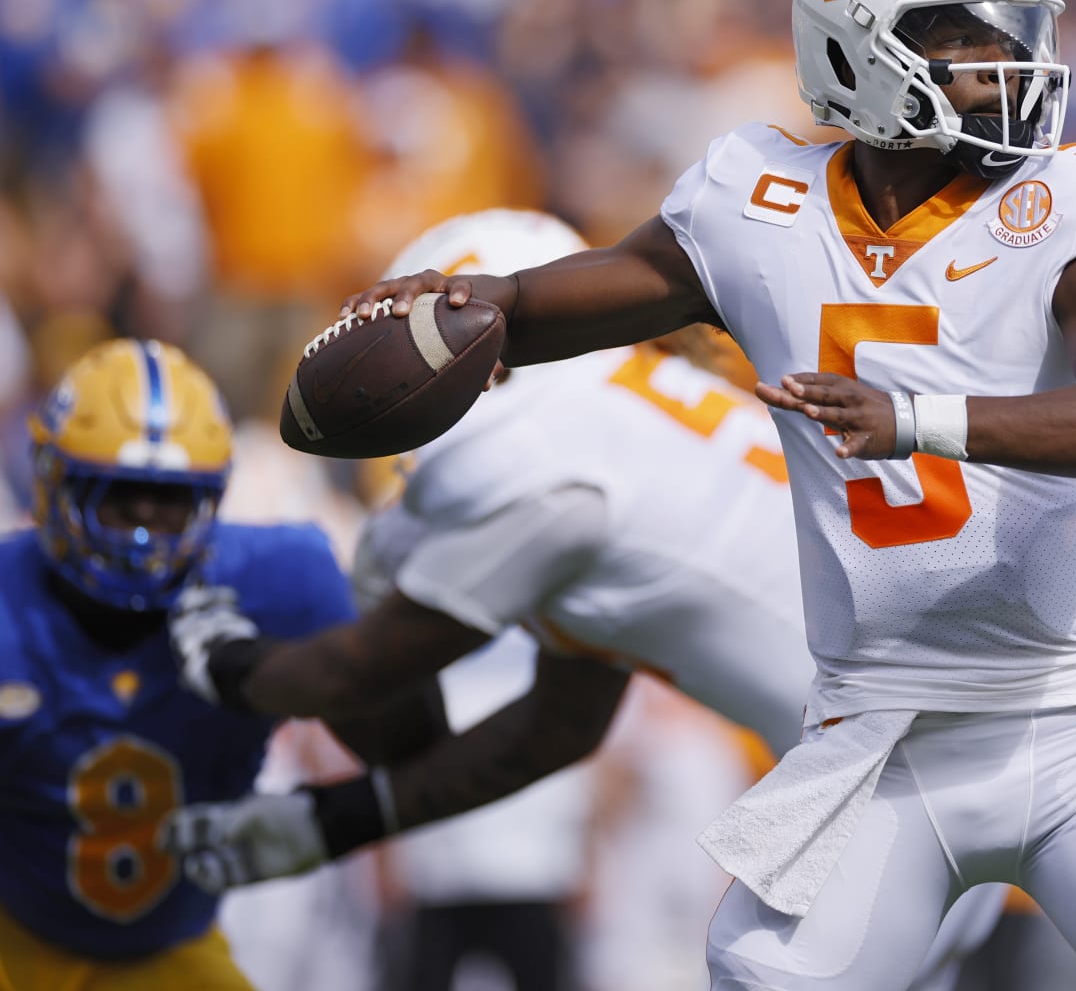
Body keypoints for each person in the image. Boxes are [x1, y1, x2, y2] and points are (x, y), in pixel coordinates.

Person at [187, 0, 1076, 989]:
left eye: (1006, 32)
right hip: (879, 742)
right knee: (763, 972)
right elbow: (561, 303)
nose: (1001, 63)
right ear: (857, 52)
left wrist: (918, 420)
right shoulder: (752, 204)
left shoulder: (1073, 202)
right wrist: (454, 308)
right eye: (960, 35)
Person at [161, 209, 1004, 991]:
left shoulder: (537, 461)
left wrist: (220, 659)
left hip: (895, 797)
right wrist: (332, 822)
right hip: (943, 763)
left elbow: (360, 677)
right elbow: (552, 731)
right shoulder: (632, 426)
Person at [0, 339, 380, 991]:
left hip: (168, 950)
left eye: (169, 500)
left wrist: (334, 810)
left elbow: (408, 731)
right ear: (55, 484)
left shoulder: (282, 581)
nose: (144, 529)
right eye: (121, 496)